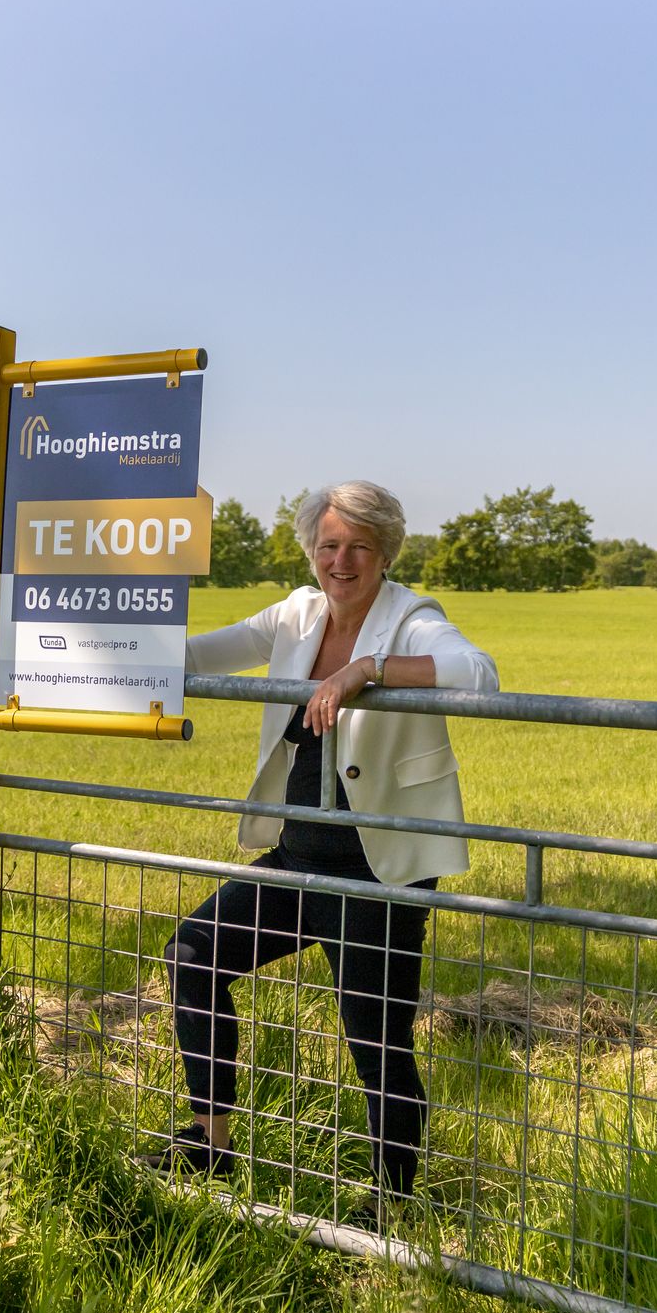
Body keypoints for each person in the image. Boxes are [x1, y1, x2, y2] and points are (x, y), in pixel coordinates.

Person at [139, 481, 498, 1218]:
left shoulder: (411, 617)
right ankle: (211, 1141)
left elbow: (478, 674)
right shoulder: (295, 614)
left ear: (385, 552)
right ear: (311, 551)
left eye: (359, 545)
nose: (342, 559)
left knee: (374, 1033)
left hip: (380, 868)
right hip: (297, 857)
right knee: (194, 954)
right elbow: (199, 654)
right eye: (329, 544)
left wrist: (364, 671)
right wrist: (114, 637)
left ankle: (392, 1200)